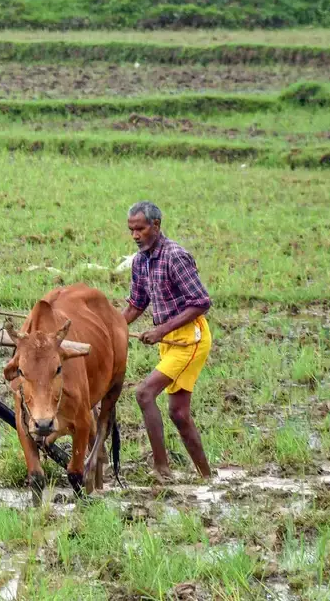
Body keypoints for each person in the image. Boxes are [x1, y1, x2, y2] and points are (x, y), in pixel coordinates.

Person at [121, 200, 213, 480]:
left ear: (156, 226)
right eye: (131, 230)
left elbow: (201, 302)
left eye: (141, 229)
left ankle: (162, 469)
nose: (136, 236)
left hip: (190, 339)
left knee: (144, 393)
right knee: (179, 414)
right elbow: (136, 305)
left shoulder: (175, 256)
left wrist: (160, 330)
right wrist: (108, 328)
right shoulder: (140, 262)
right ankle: (207, 477)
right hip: (169, 340)